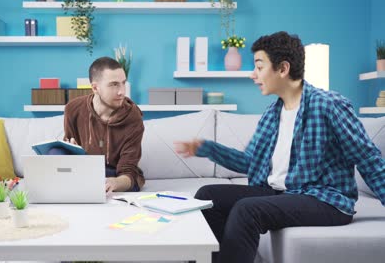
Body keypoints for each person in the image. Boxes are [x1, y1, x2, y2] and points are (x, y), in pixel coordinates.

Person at [174, 31, 385, 263]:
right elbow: (249, 161)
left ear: (283, 69)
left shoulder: (328, 105)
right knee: (207, 196)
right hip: (282, 192)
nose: (253, 75)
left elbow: (368, 158)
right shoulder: (272, 114)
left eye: (259, 67)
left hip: (324, 199)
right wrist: (206, 148)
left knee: (247, 210)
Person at [53, 56, 145, 193]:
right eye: (114, 84)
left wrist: (115, 183)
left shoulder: (133, 117)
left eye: (123, 83)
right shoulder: (73, 109)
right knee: (54, 152)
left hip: (115, 173)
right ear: (95, 88)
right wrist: (72, 150)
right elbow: (70, 151)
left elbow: (128, 170)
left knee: (127, 179)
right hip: (84, 167)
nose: (122, 92)